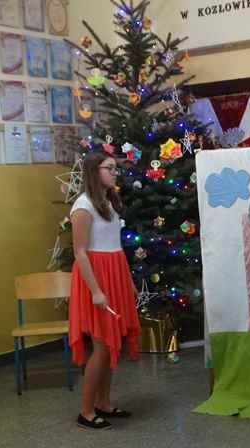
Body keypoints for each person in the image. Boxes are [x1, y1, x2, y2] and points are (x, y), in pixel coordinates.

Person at [69, 150, 140, 430]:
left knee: (111, 345)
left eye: (114, 168)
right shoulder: (83, 206)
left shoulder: (109, 202)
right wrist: (96, 291)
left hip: (114, 273)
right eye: (109, 168)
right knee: (101, 346)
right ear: (93, 171)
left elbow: (115, 246)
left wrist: (128, 281)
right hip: (96, 278)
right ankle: (86, 411)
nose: (114, 173)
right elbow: (80, 252)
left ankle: (104, 403)